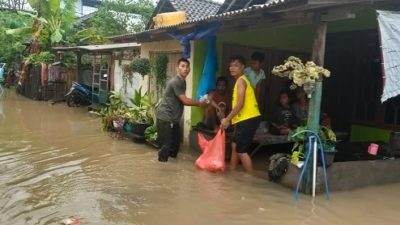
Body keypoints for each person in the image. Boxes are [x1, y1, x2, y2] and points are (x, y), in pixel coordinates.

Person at [156, 58, 208, 162]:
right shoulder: (176, 82)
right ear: (177, 69)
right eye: (182, 66)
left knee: (175, 145)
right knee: (165, 146)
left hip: (173, 119)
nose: (185, 69)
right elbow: (184, 100)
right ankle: (161, 170)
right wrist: (200, 104)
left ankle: (171, 171)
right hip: (165, 117)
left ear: (189, 69)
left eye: (187, 66)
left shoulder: (182, 82)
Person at [220, 56, 261, 174]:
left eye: (236, 65)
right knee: (234, 145)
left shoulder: (241, 81)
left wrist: (227, 119)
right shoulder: (239, 81)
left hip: (249, 118)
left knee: (241, 151)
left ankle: (250, 179)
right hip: (244, 119)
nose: (232, 68)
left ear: (243, 67)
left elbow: (240, 104)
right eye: (231, 65)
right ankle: (233, 172)